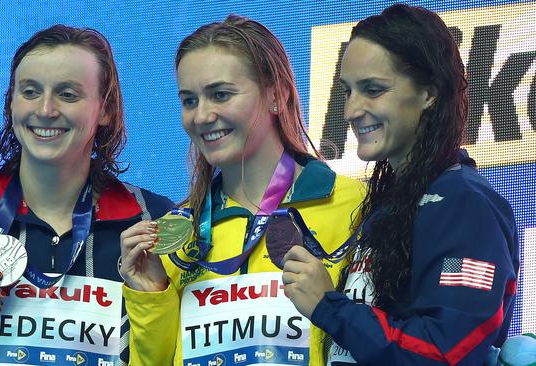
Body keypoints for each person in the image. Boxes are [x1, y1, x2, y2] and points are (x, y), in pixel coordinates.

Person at [0, 25, 172, 365]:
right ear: (11, 102)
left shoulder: (153, 223)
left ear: (105, 109)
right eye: (30, 92)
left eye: (68, 94)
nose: (46, 109)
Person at [282, 4, 520, 365]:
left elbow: (446, 351)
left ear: (429, 92)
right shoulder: (390, 202)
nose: (350, 111)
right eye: (347, 91)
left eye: (373, 89)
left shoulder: (463, 206)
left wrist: (330, 308)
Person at [120, 15, 365, 365]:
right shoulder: (175, 235)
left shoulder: (355, 206)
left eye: (220, 95)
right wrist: (152, 297)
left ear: (277, 95)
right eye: (189, 100)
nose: (202, 116)